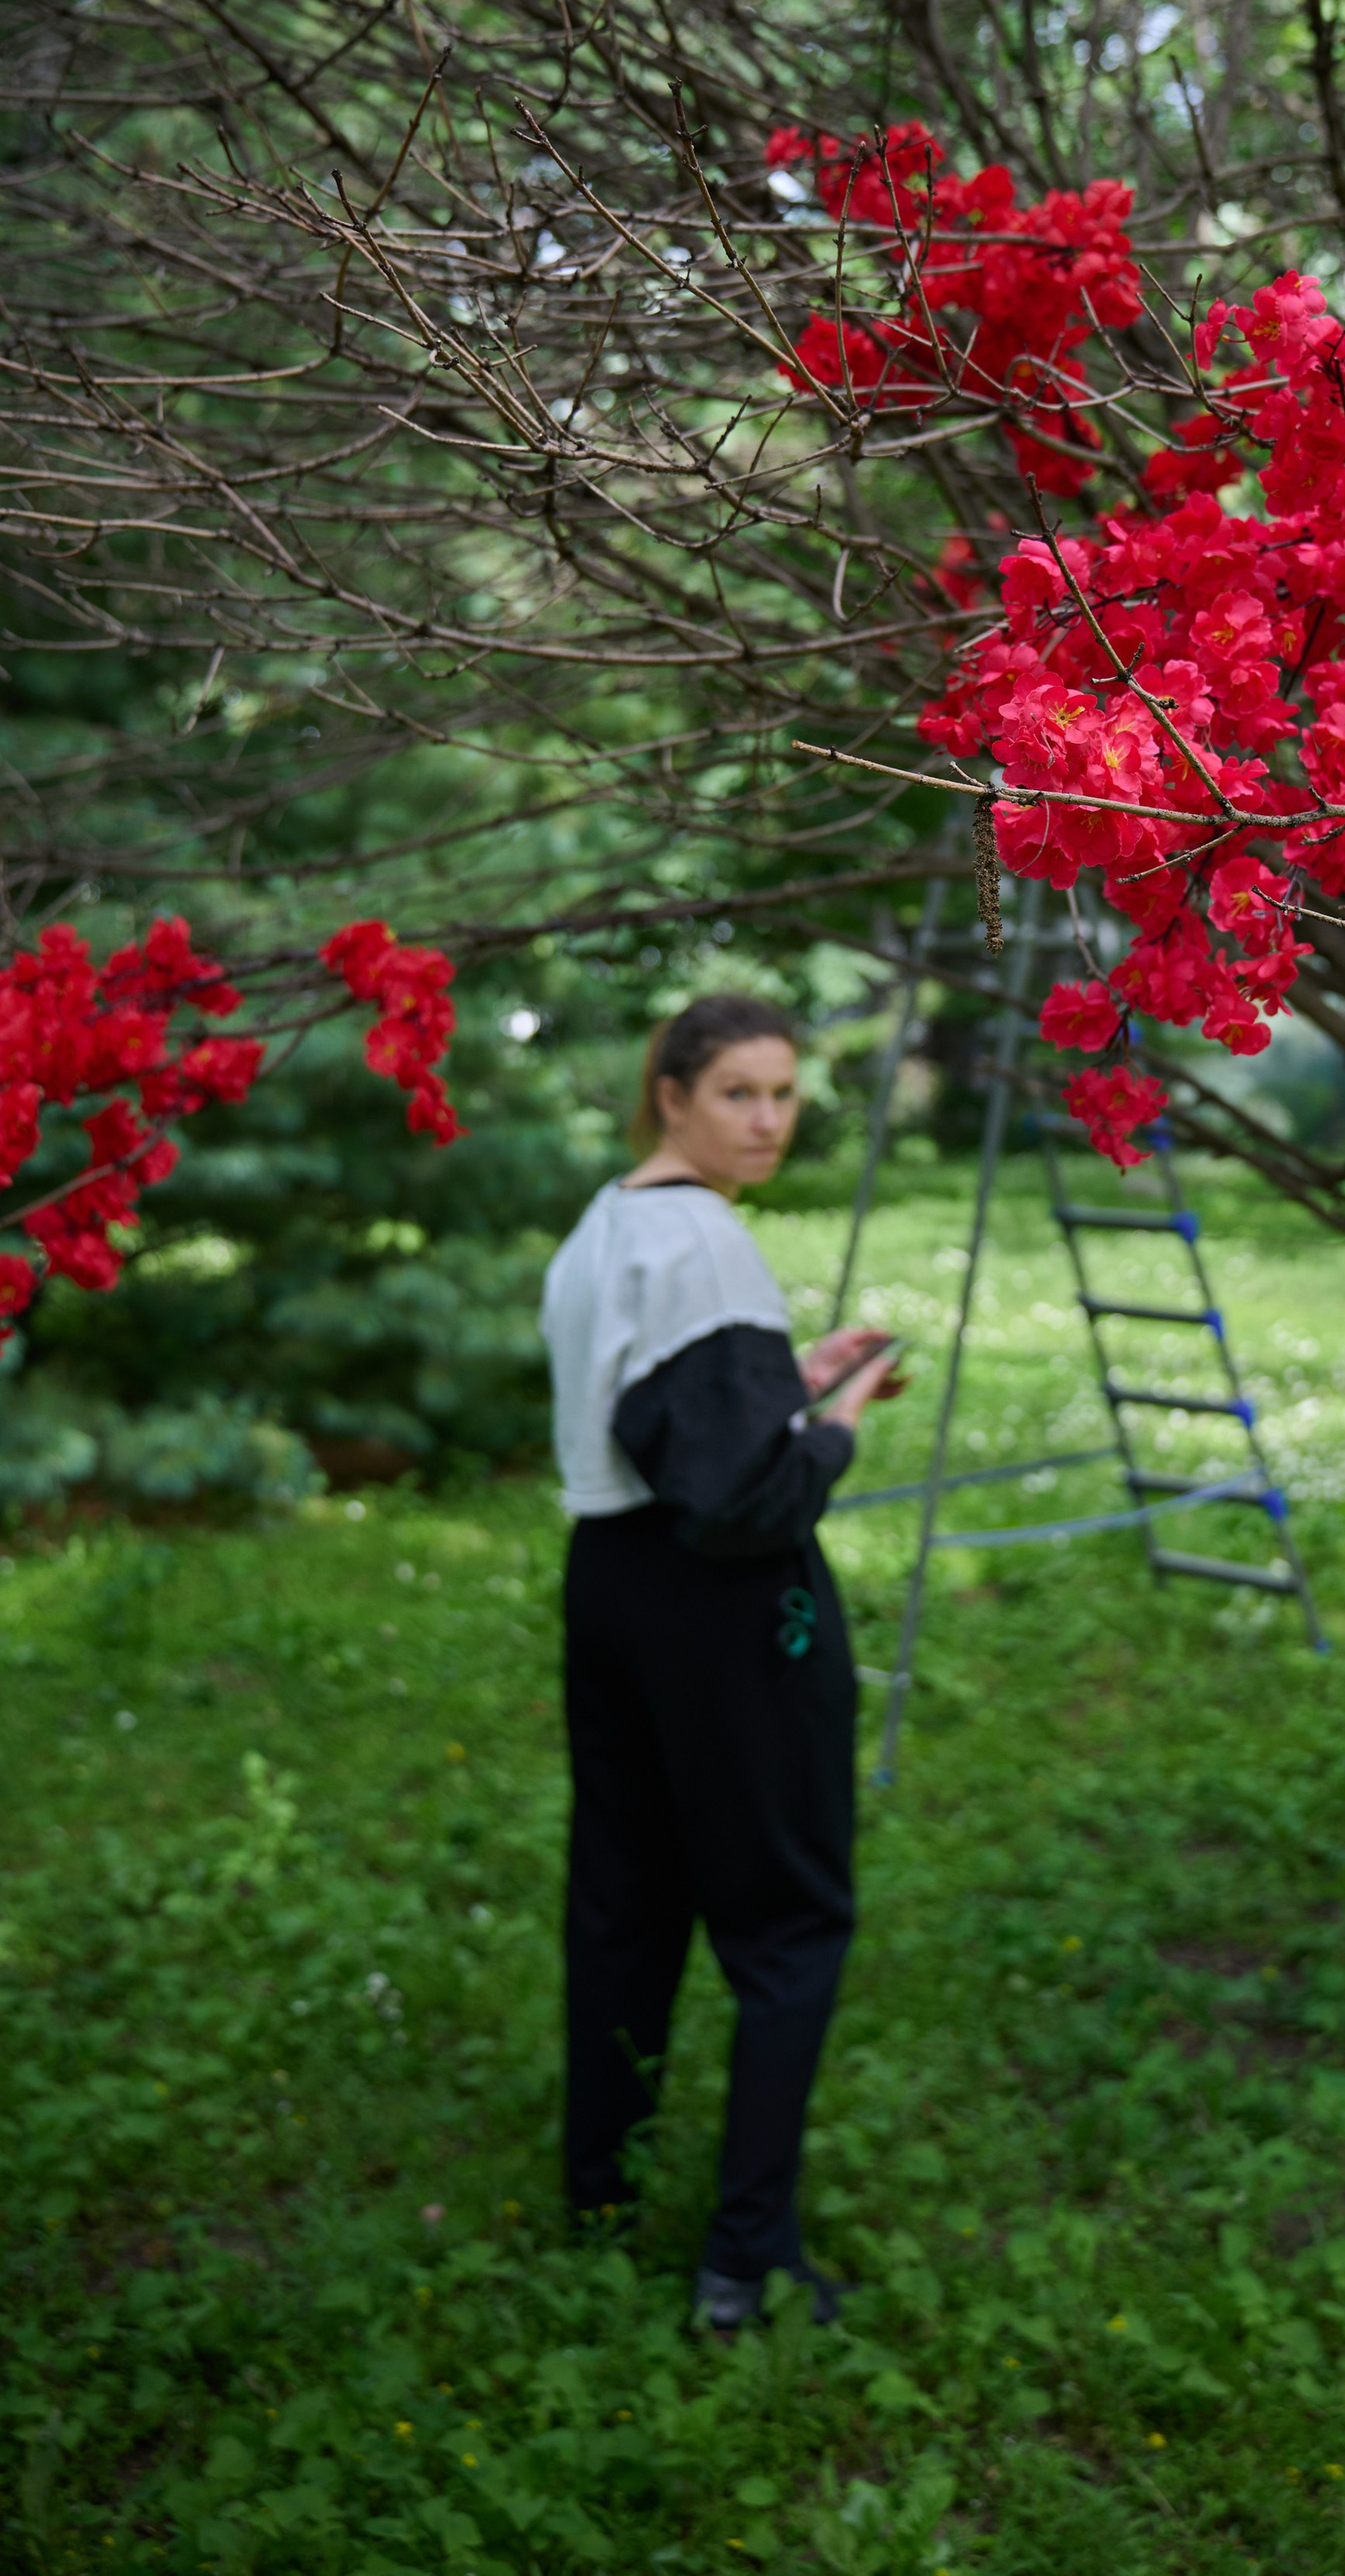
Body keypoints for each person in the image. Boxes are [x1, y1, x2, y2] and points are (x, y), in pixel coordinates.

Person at [540, 991, 902, 2334]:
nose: (768, 1118)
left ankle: (603, 2194)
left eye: (785, 1094)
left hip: (612, 1588)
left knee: (628, 1902)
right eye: (740, 1092)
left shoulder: (606, 1226)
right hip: (720, 1603)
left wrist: (788, 1379)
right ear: (673, 1093)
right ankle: (743, 2267)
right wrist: (842, 1422)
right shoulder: (706, 1243)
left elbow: (657, 1417)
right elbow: (747, 1502)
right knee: (791, 1923)